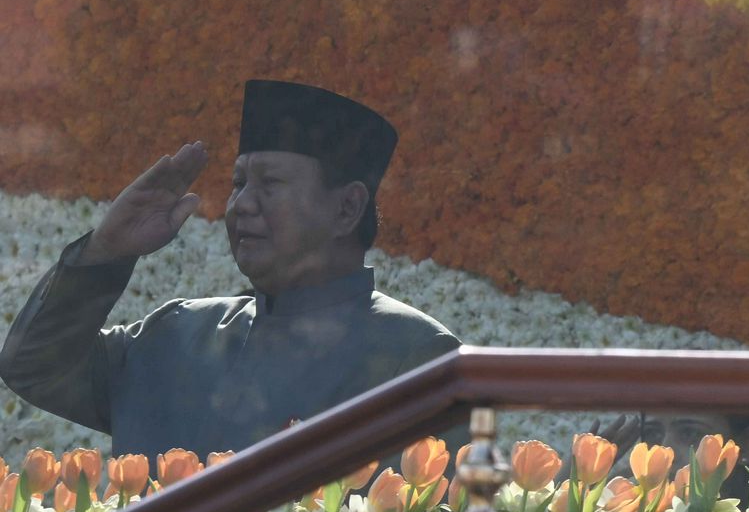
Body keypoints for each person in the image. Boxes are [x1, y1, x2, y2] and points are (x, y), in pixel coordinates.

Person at [0, 80, 460, 458]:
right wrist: (105, 250)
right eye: (238, 183)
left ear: (347, 208)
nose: (242, 205)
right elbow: (32, 367)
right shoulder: (174, 335)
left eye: (270, 184)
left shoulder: (417, 358)